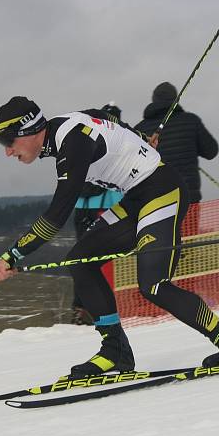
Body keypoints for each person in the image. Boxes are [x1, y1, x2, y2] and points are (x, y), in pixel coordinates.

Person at [0, 96, 219, 379]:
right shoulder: (66, 127)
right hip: (137, 197)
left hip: (162, 190)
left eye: (7, 142)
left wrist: (11, 255)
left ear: (29, 130)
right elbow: (106, 117)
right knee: (79, 261)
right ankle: (115, 351)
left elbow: (56, 216)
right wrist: (139, 137)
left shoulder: (72, 143)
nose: (7, 152)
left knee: (153, 285)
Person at [134, 82, 219, 234]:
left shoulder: (140, 129)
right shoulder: (191, 121)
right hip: (187, 198)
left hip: (153, 201)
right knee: (187, 245)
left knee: (161, 248)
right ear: (175, 100)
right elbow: (211, 151)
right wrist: (190, 146)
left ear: (153, 100)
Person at [69, 103, 124, 326]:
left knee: (83, 259)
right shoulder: (114, 140)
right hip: (104, 208)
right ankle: (102, 308)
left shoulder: (85, 139)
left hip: (80, 208)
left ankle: (80, 308)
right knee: (98, 261)